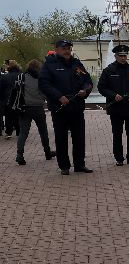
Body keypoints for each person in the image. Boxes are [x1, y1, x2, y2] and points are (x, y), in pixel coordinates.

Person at [38, 39, 93, 175]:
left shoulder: (76, 64)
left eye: (68, 48)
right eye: (64, 48)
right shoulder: (49, 65)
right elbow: (44, 84)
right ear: (56, 49)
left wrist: (85, 90)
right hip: (60, 108)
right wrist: (59, 96)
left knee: (79, 138)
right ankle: (64, 166)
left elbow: (88, 81)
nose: (67, 50)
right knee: (61, 138)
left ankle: (79, 164)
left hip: (76, 107)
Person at [97, 45, 129, 165]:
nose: (123, 58)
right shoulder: (109, 71)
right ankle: (119, 158)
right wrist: (113, 95)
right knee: (117, 134)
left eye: (125, 55)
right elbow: (101, 87)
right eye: (121, 56)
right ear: (115, 56)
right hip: (116, 108)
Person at [15, 60, 56, 164]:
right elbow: (45, 92)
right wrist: (42, 98)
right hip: (38, 108)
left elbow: (17, 91)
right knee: (43, 131)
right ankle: (47, 152)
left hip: (24, 108)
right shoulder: (41, 78)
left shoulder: (22, 77)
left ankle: (19, 155)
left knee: (23, 133)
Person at [1, 61, 22, 138]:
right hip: (19, 98)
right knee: (18, 115)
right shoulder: (21, 75)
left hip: (7, 98)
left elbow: (1, 89)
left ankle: (8, 132)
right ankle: (19, 131)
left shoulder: (5, 76)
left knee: (8, 116)